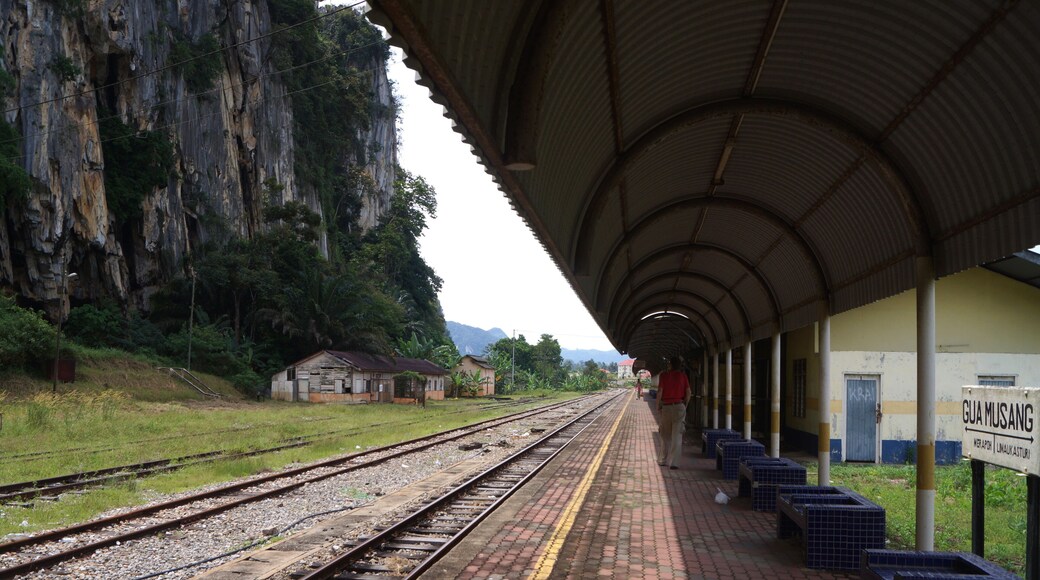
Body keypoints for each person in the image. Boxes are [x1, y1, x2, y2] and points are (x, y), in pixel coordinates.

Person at [656, 356, 692, 470]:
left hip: (666, 407)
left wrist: (658, 406)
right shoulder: (683, 376)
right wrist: (685, 405)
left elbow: (660, 392)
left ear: (670, 365)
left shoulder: (664, 376)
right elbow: (689, 393)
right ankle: (674, 463)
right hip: (679, 406)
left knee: (665, 434)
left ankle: (662, 459)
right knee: (677, 435)